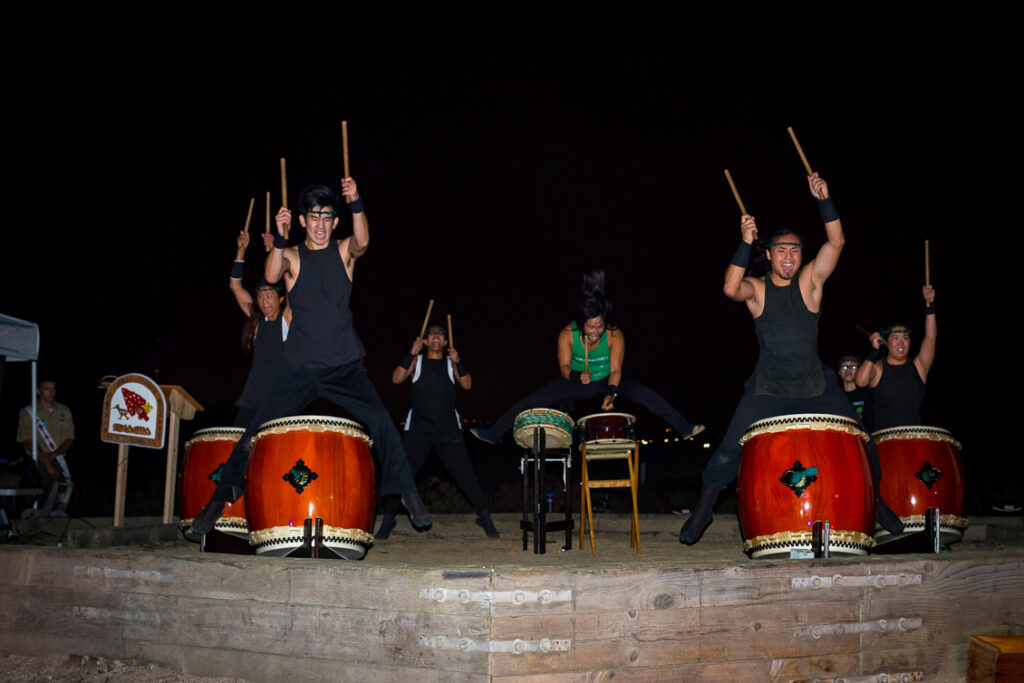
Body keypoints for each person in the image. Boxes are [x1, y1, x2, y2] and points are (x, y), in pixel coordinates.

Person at [192, 179, 430, 534]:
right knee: (254, 430)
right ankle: (218, 500)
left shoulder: (344, 251)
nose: (320, 224)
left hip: (344, 367)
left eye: (327, 217)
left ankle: (408, 494)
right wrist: (280, 233)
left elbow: (363, 241)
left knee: (382, 423)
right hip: (298, 368)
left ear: (336, 222)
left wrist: (357, 201)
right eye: (314, 217)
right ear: (303, 220)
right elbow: (271, 274)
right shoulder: (291, 254)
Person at [679, 172, 903, 545]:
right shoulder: (759, 289)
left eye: (795, 250)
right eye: (781, 250)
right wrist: (743, 241)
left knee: (863, 440)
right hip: (768, 388)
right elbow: (730, 287)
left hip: (816, 386)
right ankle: (704, 508)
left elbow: (838, 240)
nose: (788, 256)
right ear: (767, 255)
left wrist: (824, 200)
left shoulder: (810, 282)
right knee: (723, 456)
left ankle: (875, 500)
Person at [470, 270, 703, 445]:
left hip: (606, 380)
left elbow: (616, 370)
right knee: (532, 400)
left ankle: (683, 426)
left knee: (646, 394)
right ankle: (494, 432)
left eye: (598, 326)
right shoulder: (567, 334)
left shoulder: (614, 334)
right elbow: (563, 367)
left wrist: (611, 393)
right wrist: (575, 375)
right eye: (590, 327)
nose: (595, 332)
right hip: (576, 379)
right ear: (582, 323)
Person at [377, 322, 498, 539]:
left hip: (448, 429)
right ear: (424, 341)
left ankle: (484, 515)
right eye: (431, 332)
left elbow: (467, 384)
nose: (436, 335)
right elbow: (396, 378)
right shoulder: (417, 360)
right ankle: (388, 520)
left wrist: (458, 361)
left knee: (465, 474)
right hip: (418, 429)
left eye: (440, 334)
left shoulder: (451, 364)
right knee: (402, 474)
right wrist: (410, 353)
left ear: (445, 342)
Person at [228, 230, 291, 428]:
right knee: (240, 448)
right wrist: (240, 252)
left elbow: (293, 279)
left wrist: (275, 249)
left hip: (280, 401)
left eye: (269, 295)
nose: (265, 301)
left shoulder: (287, 319)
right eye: (261, 296)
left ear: (281, 299)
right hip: (252, 400)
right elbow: (235, 286)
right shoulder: (256, 321)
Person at [854, 286, 936, 430]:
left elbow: (930, 338)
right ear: (886, 342)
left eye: (905, 338)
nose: (901, 342)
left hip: (914, 439)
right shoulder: (878, 368)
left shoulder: (918, 366)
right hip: (885, 442)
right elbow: (860, 382)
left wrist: (931, 305)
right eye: (895, 338)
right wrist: (874, 350)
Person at [16, 378, 74, 510]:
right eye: (47, 389)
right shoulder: (28, 412)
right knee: (42, 492)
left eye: (53, 389)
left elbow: (69, 439)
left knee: (63, 493)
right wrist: (46, 461)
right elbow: (27, 439)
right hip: (36, 459)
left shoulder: (64, 411)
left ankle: (54, 520)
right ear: (38, 391)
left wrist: (53, 455)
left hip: (58, 459)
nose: (51, 392)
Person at [838, 354, 873, 430]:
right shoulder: (836, 395)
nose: (848, 370)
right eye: (844, 367)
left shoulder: (868, 394)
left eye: (853, 367)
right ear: (839, 372)